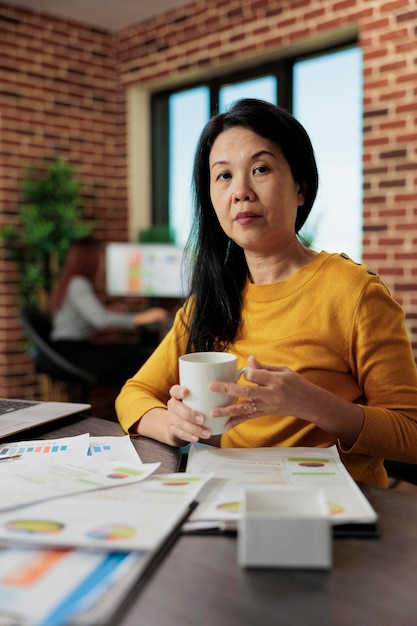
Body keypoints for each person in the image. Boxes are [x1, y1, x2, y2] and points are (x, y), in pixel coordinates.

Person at [115, 98, 417, 487]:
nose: (241, 191)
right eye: (223, 176)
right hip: (232, 496)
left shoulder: (354, 293)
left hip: (338, 508)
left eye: (260, 169)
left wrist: (313, 404)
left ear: (301, 189)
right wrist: (171, 424)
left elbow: (411, 433)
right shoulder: (211, 298)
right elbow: (134, 393)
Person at [50, 236, 169, 385]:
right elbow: (101, 321)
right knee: (136, 358)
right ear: (90, 260)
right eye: (101, 260)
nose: (103, 266)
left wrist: (108, 310)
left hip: (69, 349)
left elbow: (87, 314)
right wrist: (143, 317)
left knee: (133, 352)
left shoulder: (71, 281)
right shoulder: (78, 283)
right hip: (72, 352)